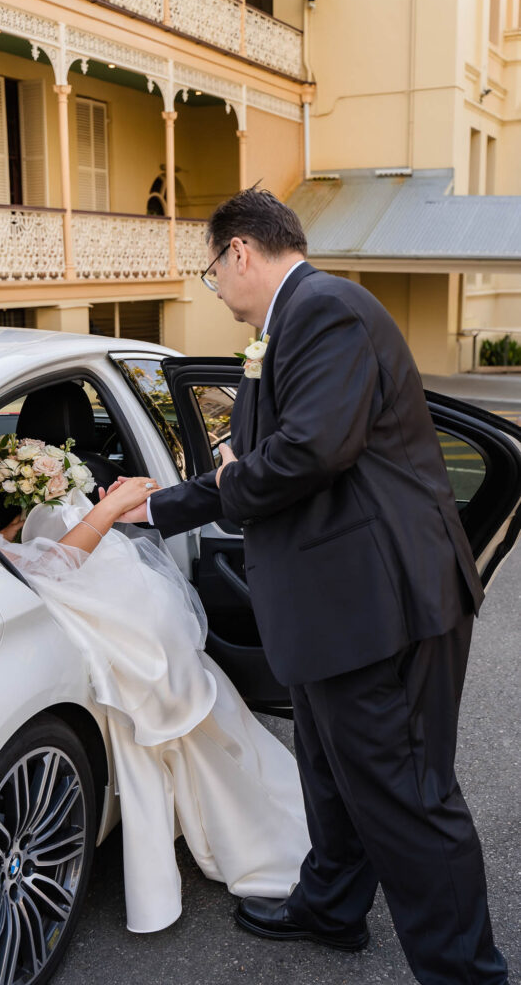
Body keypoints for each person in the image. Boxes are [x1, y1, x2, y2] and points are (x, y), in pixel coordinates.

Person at [130, 188, 508, 983]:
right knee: (332, 773)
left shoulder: (326, 310)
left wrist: (234, 478)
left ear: (239, 252)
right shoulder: (286, 327)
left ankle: (464, 972)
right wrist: (152, 507)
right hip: (337, 609)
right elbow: (256, 460)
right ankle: (332, 908)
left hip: (383, 608)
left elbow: (308, 453)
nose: (219, 296)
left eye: (212, 275)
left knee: (408, 798)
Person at [0, 436, 310, 934]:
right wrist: (114, 506)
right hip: (35, 610)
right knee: (150, 670)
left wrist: (15, 531)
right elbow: (47, 569)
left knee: (160, 671)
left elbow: (15, 559)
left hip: (28, 605)